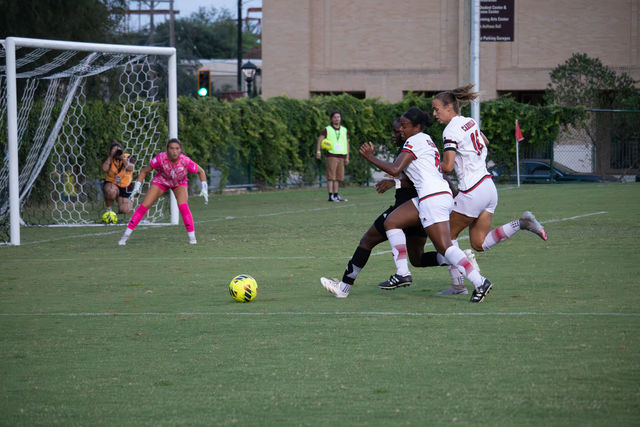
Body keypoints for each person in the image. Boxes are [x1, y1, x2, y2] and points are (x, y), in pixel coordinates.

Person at [359, 107, 493, 303]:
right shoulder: (427, 139)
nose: (401, 130)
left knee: (446, 249)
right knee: (392, 221)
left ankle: (480, 281)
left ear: (417, 127)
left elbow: (396, 169)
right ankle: (403, 273)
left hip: (432, 197)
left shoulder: (414, 141)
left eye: (404, 126)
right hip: (435, 194)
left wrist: (370, 157)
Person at [430, 84, 548, 295]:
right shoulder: (470, 122)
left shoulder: (450, 130)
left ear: (449, 108)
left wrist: (429, 165)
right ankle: (522, 223)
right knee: (478, 243)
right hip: (488, 188)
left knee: (445, 239)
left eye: (437, 109)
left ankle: (458, 285)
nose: (434, 114)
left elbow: (447, 167)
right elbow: (485, 140)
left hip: (472, 191)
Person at [320, 119, 431, 298]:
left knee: (367, 241)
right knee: (418, 259)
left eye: (399, 130)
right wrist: (394, 180)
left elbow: (402, 173)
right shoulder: (424, 147)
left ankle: (343, 288)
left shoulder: (411, 147)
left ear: (411, 129)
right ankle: (461, 265)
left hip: (405, 209)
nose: (396, 134)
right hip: (421, 210)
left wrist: (391, 179)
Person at [118, 138, 208, 246]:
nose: (174, 151)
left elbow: (201, 171)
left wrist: (204, 188)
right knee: (144, 206)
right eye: (171, 148)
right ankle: (125, 237)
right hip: (162, 181)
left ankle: (192, 240)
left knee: (183, 207)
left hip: (179, 183)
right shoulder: (161, 158)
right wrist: (137, 187)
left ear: (180, 150)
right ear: (167, 149)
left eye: (177, 149)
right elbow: (144, 171)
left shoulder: (185, 161)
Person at [316, 110, 349, 202]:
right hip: (331, 155)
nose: (337, 119)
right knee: (331, 176)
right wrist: (318, 151)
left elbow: (347, 143)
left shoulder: (344, 130)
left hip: (341, 156)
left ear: (340, 119)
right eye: (335, 117)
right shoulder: (327, 129)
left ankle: (336, 195)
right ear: (331, 119)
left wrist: (347, 157)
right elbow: (320, 139)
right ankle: (330, 196)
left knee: (338, 177)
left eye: (338, 117)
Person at [101, 141, 134, 214]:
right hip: (112, 183)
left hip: (125, 185)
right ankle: (108, 210)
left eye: (119, 150)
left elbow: (131, 168)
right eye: (115, 150)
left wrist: (123, 159)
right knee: (111, 191)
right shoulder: (109, 158)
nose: (117, 152)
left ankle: (123, 199)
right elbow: (104, 169)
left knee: (124, 210)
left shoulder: (128, 156)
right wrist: (110, 156)